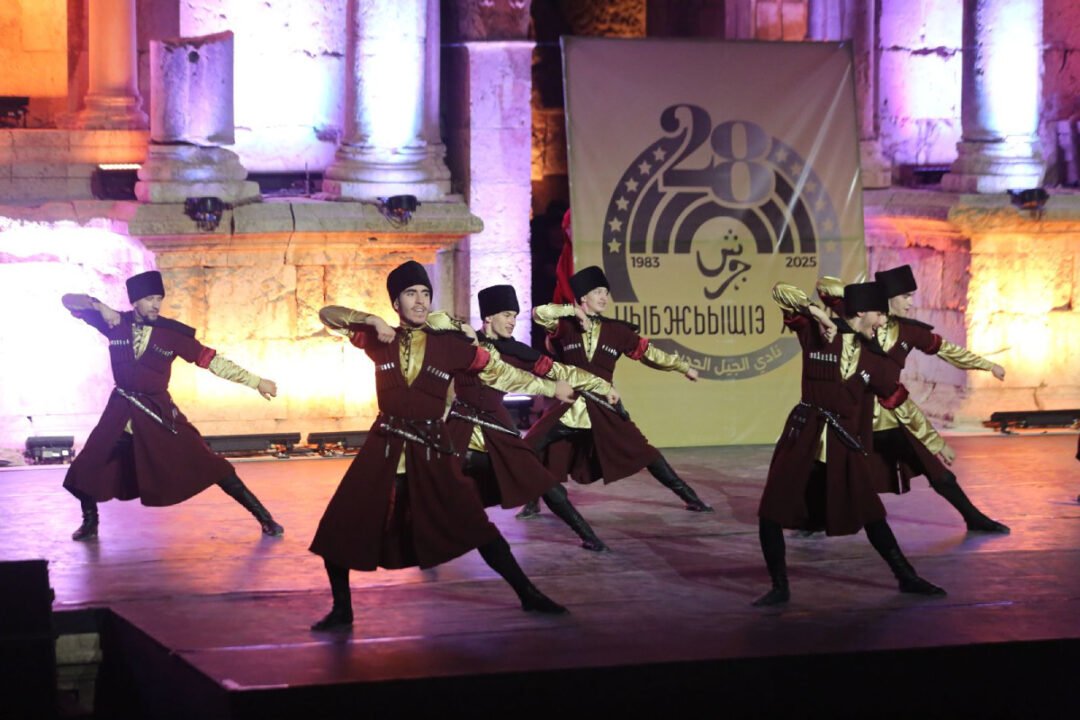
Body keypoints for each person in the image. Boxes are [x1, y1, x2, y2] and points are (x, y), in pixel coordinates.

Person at [309, 261, 570, 631]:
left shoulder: (450, 345)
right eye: (410, 294)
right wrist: (370, 319)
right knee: (340, 523)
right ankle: (342, 610)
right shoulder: (377, 338)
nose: (420, 301)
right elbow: (328, 315)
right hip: (383, 446)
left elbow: (500, 372)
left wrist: (550, 387)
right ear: (395, 303)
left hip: (432, 448)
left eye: (425, 294)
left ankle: (528, 594)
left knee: (476, 525)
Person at [754, 281, 946, 606]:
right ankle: (779, 587)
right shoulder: (814, 332)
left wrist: (933, 441)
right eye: (879, 315)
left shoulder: (876, 358)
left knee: (870, 511)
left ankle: (906, 577)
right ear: (861, 312)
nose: (882, 322)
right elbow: (781, 291)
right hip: (804, 435)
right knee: (772, 510)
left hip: (842, 441)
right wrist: (819, 315)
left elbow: (897, 400)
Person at [61, 270, 283, 541]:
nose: (156, 304)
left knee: (211, 465)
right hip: (120, 411)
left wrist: (256, 381)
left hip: (159, 413)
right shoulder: (114, 322)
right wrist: (98, 305)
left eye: (159, 299)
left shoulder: (171, 333)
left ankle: (265, 518)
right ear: (135, 301)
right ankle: (90, 521)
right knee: (87, 465)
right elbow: (67, 300)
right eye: (149, 299)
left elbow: (211, 361)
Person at [818, 269, 1008, 533]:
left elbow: (947, 350)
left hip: (892, 416)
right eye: (905, 296)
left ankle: (973, 517)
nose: (910, 302)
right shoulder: (855, 322)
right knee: (833, 469)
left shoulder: (908, 331)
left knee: (935, 468)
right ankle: (814, 521)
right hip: (854, 415)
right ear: (887, 298)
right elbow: (826, 288)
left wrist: (987, 365)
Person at [432, 284, 617, 551]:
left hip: (498, 428)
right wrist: (460, 327)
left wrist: (603, 386)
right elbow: (432, 321)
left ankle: (589, 537)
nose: (512, 321)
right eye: (507, 315)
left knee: (545, 483)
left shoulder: (516, 351)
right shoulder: (464, 341)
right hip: (462, 427)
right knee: (434, 484)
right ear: (488, 317)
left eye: (515, 316)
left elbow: (562, 371)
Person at [517, 266, 712, 517]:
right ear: (583, 297)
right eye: (598, 292)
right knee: (533, 446)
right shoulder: (564, 326)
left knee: (645, 453)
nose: (604, 297)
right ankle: (532, 501)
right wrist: (573, 311)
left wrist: (683, 367)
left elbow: (650, 354)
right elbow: (538, 313)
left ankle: (690, 497)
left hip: (604, 406)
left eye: (606, 293)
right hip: (567, 406)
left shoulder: (617, 331)